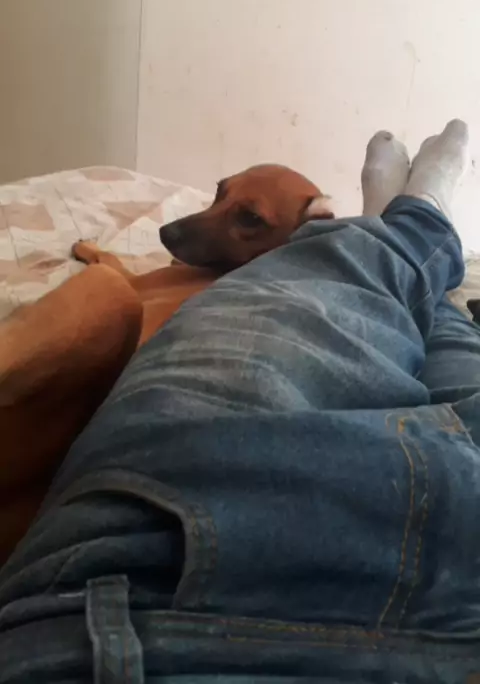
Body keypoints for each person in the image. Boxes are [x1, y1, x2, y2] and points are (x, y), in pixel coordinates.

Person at [0, 120, 479, 684]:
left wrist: (110, 272)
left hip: (105, 599)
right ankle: (413, 226)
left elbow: (133, 298)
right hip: (454, 585)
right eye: (220, 197)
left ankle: (404, 228)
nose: (186, 228)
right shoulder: (193, 277)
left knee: (326, 302)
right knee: (445, 343)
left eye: (247, 219)